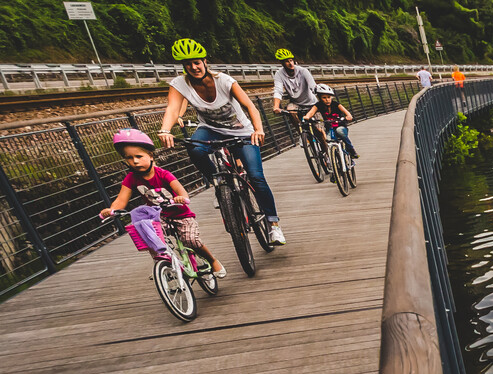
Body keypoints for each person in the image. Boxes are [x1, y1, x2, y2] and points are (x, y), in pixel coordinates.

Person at [157, 38, 287, 245]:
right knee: (194, 147)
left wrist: (258, 129)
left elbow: (250, 107)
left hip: (242, 132)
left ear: (205, 61)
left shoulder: (224, 81)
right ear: (184, 67)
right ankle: (217, 182)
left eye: (197, 62)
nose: (194, 67)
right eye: (188, 64)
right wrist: (165, 129)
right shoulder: (179, 83)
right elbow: (172, 109)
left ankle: (273, 225)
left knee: (256, 176)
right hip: (210, 130)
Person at [101, 129, 226, 278]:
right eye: (129, 158)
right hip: (159, 217)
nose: (134, 161)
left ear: (151, 155)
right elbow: (121, 200)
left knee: (191, 240)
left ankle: (212, 260)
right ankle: (162, 264)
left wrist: (180, 197)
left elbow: (181, 191)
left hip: (181, 214)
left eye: (139, 156)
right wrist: (112, 210)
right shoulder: (131, 178)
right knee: (148, 234)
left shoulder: (163, 174)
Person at [303, 84, 357, 159]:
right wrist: (307, 117)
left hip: (340, 125)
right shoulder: (318, 105)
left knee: (340, 131)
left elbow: (346, 112)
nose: (327, 100)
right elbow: (311, 112)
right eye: (324, 98)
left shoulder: (336, 104)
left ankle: (351, 150)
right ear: (320, 98)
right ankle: (335, 158)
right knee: (328, 140)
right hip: (329, 128)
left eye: (329, 97)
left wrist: (348, 116)